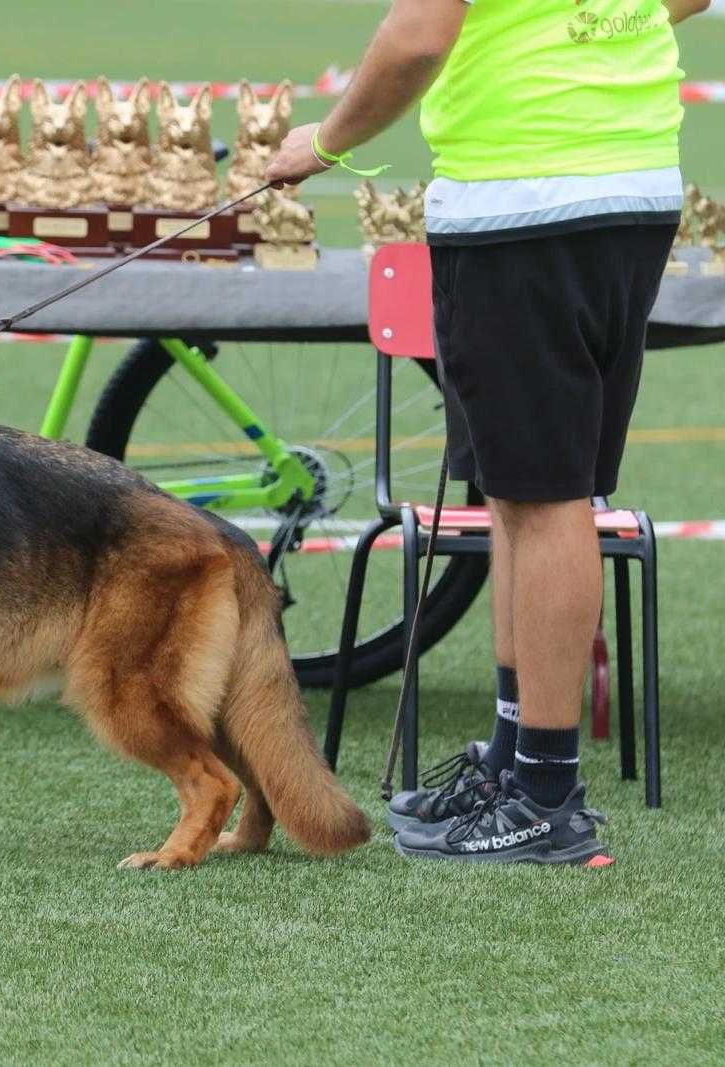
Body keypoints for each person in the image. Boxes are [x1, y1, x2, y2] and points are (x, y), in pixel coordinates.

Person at [265, 0, 711, 864]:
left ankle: (546, 794)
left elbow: (419, 34)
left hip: (527, 193)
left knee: (544, 498)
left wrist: (324, 143)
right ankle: (516, 763)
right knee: (520, 491)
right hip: (629, 180)